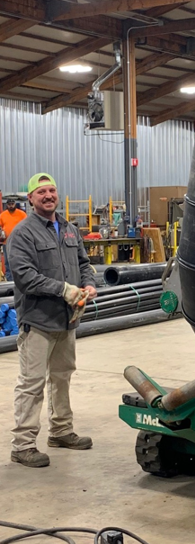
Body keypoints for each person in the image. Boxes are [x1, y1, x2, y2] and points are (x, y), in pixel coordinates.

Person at [8, 173, 97, 467]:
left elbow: (84, 263)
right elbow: (24, 276)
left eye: (52, 190)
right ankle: (22, 445)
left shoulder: (69, 230)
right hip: (38, 321)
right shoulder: (23, 233)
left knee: (62, 377)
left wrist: (87, 285)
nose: (48, 195)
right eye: (41, 192)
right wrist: (63, 289)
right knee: (31, 384)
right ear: (31, 199)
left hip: (67, 320)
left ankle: (60, 431)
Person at [0, 198, 26, 280]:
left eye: (12, 204)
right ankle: (10, 281)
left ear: (15, 204)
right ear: (7, 205)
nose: (11, 206)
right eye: (9, 204)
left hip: (19, 242)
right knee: (8, 262)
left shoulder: (21, 214)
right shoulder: (2, 215)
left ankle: (20, 279)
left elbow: (27, 225)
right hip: (6, 243)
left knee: (20, 261)